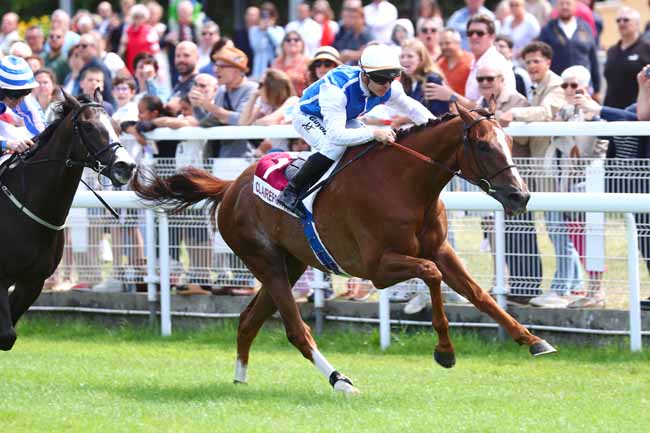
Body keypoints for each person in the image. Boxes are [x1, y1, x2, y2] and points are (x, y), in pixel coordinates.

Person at [276, 44, 435, 217]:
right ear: (365, 77)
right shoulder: (336, 89)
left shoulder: (390, 88)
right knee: (335, 146)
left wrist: (438, 126)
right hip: (307, 115)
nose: (387, 85)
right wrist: (374, 133)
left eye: (393, 78)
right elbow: (336, 135)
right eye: (381, 79)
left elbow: (413, 110)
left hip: (344, 117)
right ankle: (290, 192)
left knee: (365, 143)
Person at [551, 65, 608, 308]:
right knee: (576, 235)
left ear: (587, 88)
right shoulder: (564, 112)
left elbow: (601, 147)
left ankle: (597, 290)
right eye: (565, 85)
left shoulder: (595, 112)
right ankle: (590, 288)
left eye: (575, 85)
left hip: (588, 182)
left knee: (590, 237)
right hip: (567, 182)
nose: (569, 90)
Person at [199, 46, 258, 158]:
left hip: (246, 160)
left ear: (237, 70)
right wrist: (197, 105)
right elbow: (206, 122)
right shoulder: (221, 91)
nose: (216, 70)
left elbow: (240, 120)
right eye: (216, 66)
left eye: (221, 66)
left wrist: (209, 106)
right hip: (219, 159)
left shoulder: (253, 90)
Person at [539, 0, 600, 97]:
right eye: (561, 4)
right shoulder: (547, 29)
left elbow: (593, 58)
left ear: (575, 6)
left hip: (583, 88)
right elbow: (542, 59)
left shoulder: (585, 27)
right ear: (556, 6)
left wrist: (597, 88)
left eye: (568, 3)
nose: (564, 7)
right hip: (558, 88)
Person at [240, 68, 299, 155]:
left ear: (273, 87)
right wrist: (253, 96)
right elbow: (243, 124)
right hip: (275, 157)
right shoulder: (267, 107)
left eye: (261, 85)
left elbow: (269, 121)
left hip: (292, 157)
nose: (258, 89)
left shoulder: (293, 101)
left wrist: (256, 122)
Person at [603, 7, 650, 109]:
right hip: (611, 111)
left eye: (626, 20)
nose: (621, 23)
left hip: (636, 112)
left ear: (637, 24)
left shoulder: (646, 48)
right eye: (618, 20)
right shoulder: (612, 51)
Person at [0, 56, 45, 154]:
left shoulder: (22, 96)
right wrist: (6, 143)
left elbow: (41, 130)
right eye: (15, 96)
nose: (19, 101)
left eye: (24, 94)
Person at [396, 38, 449, 119]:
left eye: (410, 56)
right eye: (402, 56)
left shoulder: (433, 79)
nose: (404, 60)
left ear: (421, 59)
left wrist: (406, 120)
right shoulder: (406, 80)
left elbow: (439, 116)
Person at [249, 2, 285, 80]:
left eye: (269, 16)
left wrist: (269, 29)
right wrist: (262, 31)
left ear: (274, 17)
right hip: (259, 71)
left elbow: (279, 44)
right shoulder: (254, 30)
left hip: (276, 69)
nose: (266, 19)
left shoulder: (279, 30)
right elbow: (257, 47)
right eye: (263, 16)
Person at [437, 28, 473, 97]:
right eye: (441, 44)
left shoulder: (470, 62)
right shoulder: (439, 64)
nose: (444, 47)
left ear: (458, 43)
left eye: (447, 43)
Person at [271, 31, 310, 96]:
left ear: (302, 44)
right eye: (288, 40)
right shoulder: (276, 62)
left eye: (296, 40)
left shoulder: (308, 63)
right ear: (283, 44)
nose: (292, 42)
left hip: (300, 101)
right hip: (278, 101)